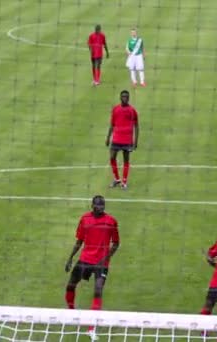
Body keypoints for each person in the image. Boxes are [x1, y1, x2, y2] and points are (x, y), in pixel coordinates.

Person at [65, 195, 120, 340]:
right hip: (85, 259)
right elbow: (79, 240)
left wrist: (106, 258)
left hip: (101, 264)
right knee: (70, 285)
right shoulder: (85, 219)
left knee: (98, 290)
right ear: (92, 206)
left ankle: (91, 328)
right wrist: (70, 258)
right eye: (98, 206)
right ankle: (71, 312)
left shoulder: (111, 221)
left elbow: (116, 243)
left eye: (103, 206)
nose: (101, 208)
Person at [105, 90, 139, 190]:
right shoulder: (115, 109)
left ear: (128, 98)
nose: (125, 98)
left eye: (126, 97)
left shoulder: (132, 111)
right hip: (116, 138)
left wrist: (135, 141)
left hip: (127, 140)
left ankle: (124, 182)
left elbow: (136, 126)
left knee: (126, 160)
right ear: (120, 98)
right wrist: (108, 138)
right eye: (123, 96)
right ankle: (117, 179)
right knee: (112, 157)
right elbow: (112, 124)